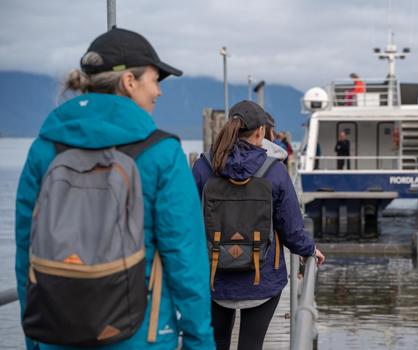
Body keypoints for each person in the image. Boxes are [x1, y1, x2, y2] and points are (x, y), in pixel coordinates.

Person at [14, 27, 215, 349]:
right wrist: (200, 342)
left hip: (57, 334)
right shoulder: (162, 153)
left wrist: (34, 338)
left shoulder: (44, 150)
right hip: (142, 337)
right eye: (154, 80)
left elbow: (28, 253)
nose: (158, 92)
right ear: (129, 82)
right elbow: (185, 260)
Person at [192, 100, 325, 350]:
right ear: (261, 132)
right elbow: (291, 229)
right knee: (251, 345)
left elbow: (187, 220)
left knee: (217, 342)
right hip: (260, 278)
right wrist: (309, 250)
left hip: (213, 276)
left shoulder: (204, 167)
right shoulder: (274, 171)